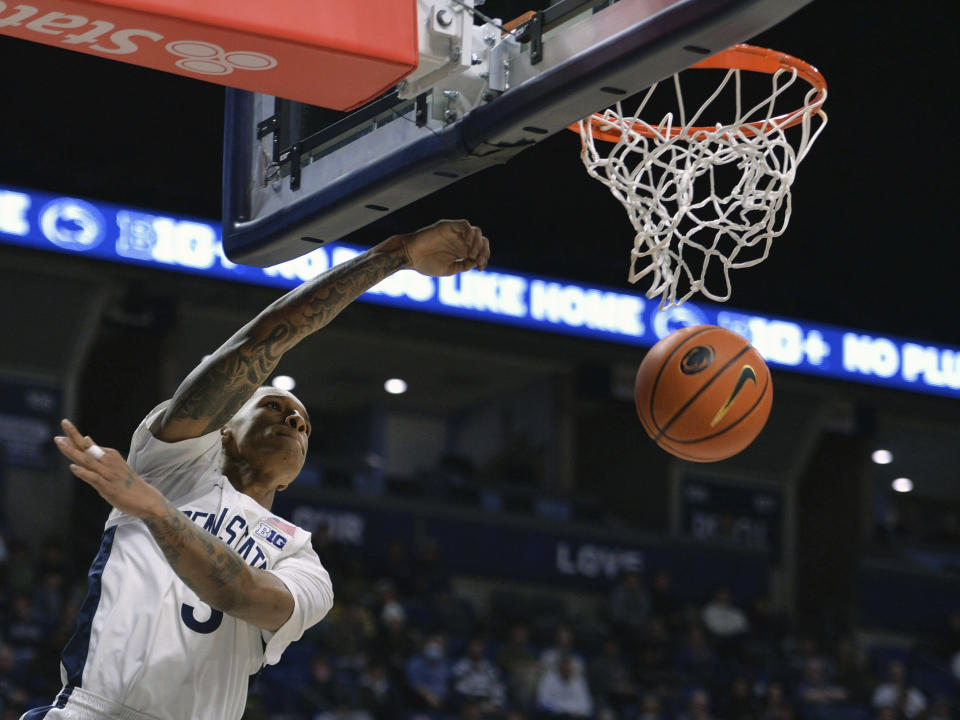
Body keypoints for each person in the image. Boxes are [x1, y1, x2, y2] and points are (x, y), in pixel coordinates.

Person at [23, 220, 491, 720]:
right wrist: (395, 255)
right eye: (272, 406)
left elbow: (239, 593)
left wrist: (154, 509)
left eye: (304, 425)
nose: (293, 418)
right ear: (224, 427)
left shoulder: (301, 558)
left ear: (293, 478)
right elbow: (259, 343)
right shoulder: (171, 463)